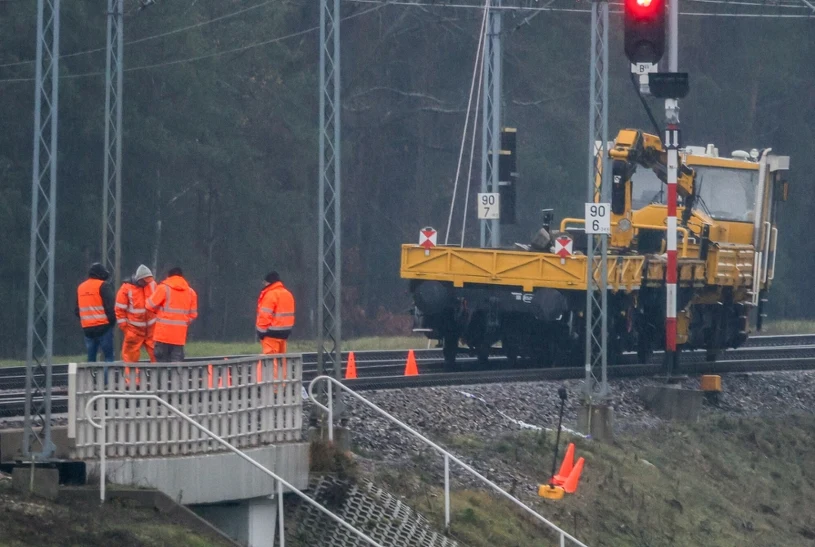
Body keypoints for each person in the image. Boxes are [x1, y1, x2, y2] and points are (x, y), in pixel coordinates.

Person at [146, 267, 198, 362]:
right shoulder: (191, 292)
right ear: (182, 277)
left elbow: (149, 305)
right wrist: (183, 323)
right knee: (176, 369)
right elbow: (193, 315)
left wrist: (158, 312)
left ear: (168, 276)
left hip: (162, 336)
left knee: (161, 369)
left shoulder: (163, 288)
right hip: (179, 337)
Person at [116, 264, 157, 363]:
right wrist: (126, 330)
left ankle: (159, 378)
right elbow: (119, 311)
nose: (147, 283)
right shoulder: (126, 289)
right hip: (134, 331)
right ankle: (132, 379)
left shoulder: (152, 284)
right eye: (145, 281)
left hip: (152, 330)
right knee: (130, 361)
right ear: (139, 279)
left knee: (158, 357)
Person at [75, 262, 116, 362]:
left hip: (87, 329)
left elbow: (77, 310)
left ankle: (91, 377)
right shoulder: (103, 285)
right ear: (100, 274)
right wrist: (111, 322)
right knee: (108, 358)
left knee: (91, 359)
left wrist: (85, 321)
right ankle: (107, 378)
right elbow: (111, 307)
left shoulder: (81, 287)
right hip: (103, 327)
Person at [256, 271, 296, 355]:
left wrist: (261, 333)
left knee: (268, 363)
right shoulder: (288, 294)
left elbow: (264, 316)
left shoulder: (270, 295)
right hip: (285, 334)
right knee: (281, 362)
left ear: (268, 282)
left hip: (271, 335)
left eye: (265, 282)